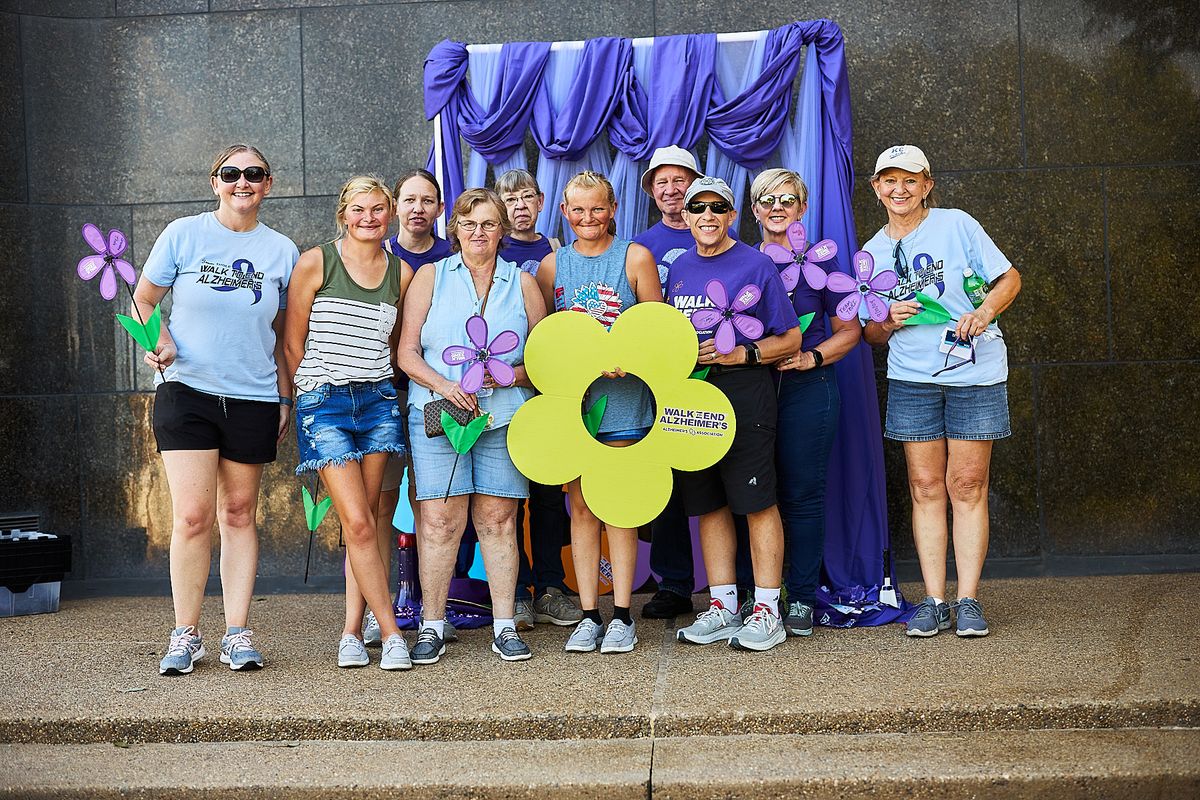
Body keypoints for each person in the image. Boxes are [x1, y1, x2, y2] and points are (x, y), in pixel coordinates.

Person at [135, 144, 299, 675]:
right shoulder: (183, 234)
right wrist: (158, 339)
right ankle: (185, 634)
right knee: (191, 516)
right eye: (231, 174)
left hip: (252, 396)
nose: (242, 182)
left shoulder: (282, 252)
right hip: (187, 392)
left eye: (254, 174)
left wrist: (284, 394)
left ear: (269, 184)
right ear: (215, 182)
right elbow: (142, 299)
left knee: (237, 513)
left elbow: (284, 333)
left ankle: (236, 633)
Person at [861, 145, 1021, 638]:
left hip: (973, 374)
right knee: (925, 487)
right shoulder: (870, 252)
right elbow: (870, 334)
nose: (899, 189)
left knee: (967, 487)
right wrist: (886, 320)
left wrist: (984, 313)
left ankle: (968, 599)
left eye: (910, 179)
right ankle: (933, 600)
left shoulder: (957, 224)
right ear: (876, 189)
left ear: (927, 185)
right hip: (912, 378)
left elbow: (1009, 278)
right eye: (889, 180)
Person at [397, 188, 547, 664]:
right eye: (468, 224)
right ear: (454, 229)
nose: (478, 233)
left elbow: (544, 359)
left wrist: (504, 375)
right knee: (440, 522)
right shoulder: (430, 277)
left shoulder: (521, 283)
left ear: (502, 229)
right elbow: (406, 353)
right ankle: (433, 626)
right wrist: (445, 385)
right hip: (441, 416)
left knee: (499, 520)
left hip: (503, 417)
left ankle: (505, 625)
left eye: (487, 224)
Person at [284, 175, 413, 670]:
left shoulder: (398, 274)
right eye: (359, 209)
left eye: (378, 209)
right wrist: (309, 393)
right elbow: (293, 342)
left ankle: (351, 632)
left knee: (373, 521)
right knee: (357, 522)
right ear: (343, 214)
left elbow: (392, 345)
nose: (369, 217)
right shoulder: (317, 260)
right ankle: (393, 632)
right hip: (326, 405)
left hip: (378, 401)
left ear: (391, 214)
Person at [666, 176, 800, 653]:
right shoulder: (679, 269)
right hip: (691, 404)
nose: (707, 215)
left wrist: (739, 355)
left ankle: (767, 608)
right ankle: (722, 604)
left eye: (717, 207)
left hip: (744, 395)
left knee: (758, 502)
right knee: (709, 504)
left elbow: (790, 339)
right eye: (697, 207)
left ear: (730, 216)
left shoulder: (757, 264)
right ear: (685, 217)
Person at [535, 171, 662, 654]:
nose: (588, 218)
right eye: (578, 209)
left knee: (620, 506)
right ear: (564, 212)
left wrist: (629, 358)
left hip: (627, 403)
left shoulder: (634, 257)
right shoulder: (552, 266)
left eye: (597, 208)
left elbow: (658, 332)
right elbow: (544, 341)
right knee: (583, 507)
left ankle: (623, 615)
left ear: (612, 210)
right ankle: (589, 613)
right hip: (576, 408)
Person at [750, 168, 862, 637]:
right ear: (754, 210)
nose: (778, 208)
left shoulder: (824, 264)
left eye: (788, 200)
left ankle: (800, 598)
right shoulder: (739, 259)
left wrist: (811, 358)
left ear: (803, 208)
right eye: (767, 200)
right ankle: (758, 597)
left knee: (802, 495)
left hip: (808, 390)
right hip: (751, 392)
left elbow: (851, 331)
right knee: (755, 496)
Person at [494, 168, 580, 632]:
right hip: (501, 388)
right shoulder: (489, 250)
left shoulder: (556, 254)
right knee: (507, 496)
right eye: (510, 200)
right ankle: (517, 591)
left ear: (543, 202)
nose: (519, 206)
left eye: (527, 197)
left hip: (549, 387)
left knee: (549, 494)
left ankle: (551, 586)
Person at [632, 145, 702, 620]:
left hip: (719, 372)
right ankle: (673, 581)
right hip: (657, 377)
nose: (672, 189)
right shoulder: (639, 246)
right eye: (663, 181)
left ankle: (734, 579)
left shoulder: (724, 235)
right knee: (667, 481)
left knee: (726, 477)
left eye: (681, 180)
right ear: (652, 191)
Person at [385, 168, 453, 270]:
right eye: (409, 200)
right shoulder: (379, 254)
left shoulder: (454, 257)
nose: (418, 209)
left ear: (440, 208)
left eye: (427, 201)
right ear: (395, 207)